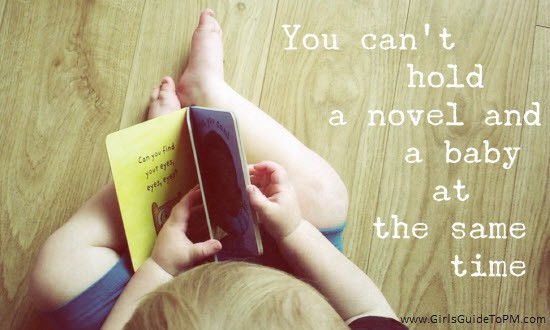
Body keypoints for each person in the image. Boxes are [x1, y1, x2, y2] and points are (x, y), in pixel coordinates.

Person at [28, 9, 407, 329]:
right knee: (324, 195)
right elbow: (366, 307)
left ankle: (160, 154)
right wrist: (293, 231)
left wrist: (160, 267)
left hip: (145, 299)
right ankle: (209, 92)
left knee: (57, 273)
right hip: (285, 265)